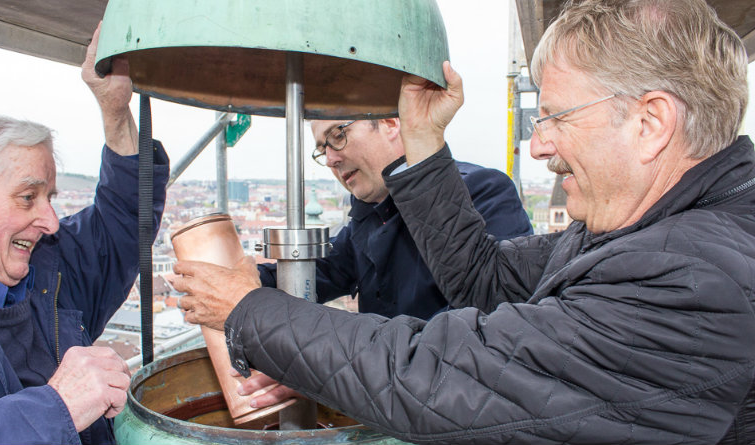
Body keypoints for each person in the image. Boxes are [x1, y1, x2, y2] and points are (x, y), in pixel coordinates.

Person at [172, 0, 754, 443]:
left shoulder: (692, 281)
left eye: (555, 117)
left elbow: (444, 376)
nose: (539, 145)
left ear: (650, 123)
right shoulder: (632, 232)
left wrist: (247, 310)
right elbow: (488, 283)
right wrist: (424, 141)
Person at [0, 24, 169, 445]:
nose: (51, 221)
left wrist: (114, 109)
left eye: (49, 196)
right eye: (28, 197)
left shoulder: (53, 269)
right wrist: (59, 407)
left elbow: (124, 217)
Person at [259, 118, 531, 320]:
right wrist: (247, 277)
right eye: (322, 149)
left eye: (338, 135)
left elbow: (486, 326)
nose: (330, 159)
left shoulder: (481, 191)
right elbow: (323, 270)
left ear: (390, 124)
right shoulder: (369, 212)